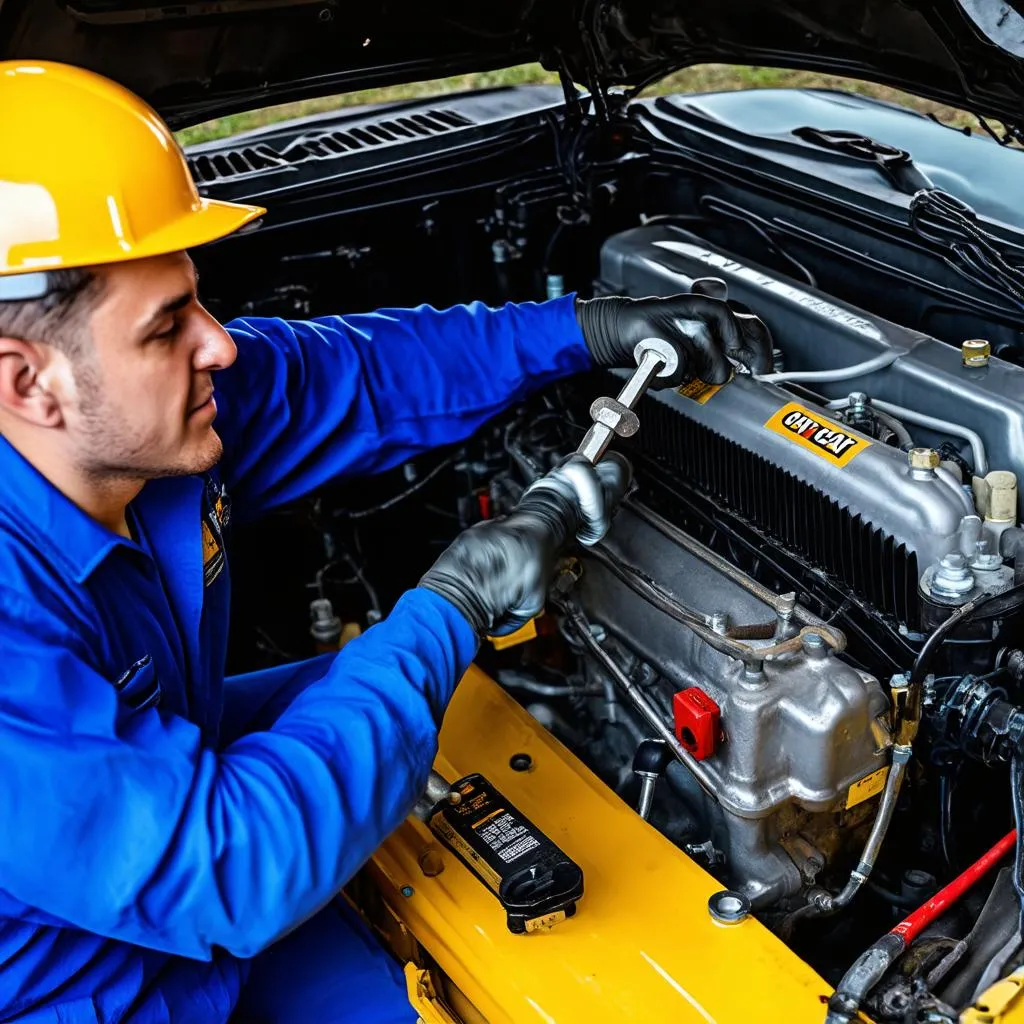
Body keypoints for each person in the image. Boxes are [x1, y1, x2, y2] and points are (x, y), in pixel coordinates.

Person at [0, 60, 773, 1024]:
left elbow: (358, 378)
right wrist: (449, 609)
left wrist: (585, 328)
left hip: (197, 907)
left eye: (195, 300)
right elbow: (233, 870)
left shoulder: (141, 427)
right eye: (166, 329)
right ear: (30, 383)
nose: (220, 344)